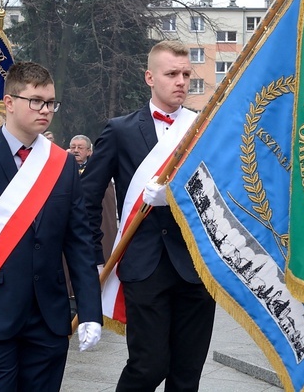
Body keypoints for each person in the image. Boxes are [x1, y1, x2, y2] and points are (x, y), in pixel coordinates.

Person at [0, 61, 102, 391]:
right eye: (36, 101)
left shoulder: (62, 163)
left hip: (49, 320)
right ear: (10, 103)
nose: (45, 110)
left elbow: (79, 243)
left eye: (51, 102)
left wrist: (90, 311)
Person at [82, 40, 216, 391]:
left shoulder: (204, 129)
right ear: (149, 77)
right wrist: (93, 257)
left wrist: (179, 196)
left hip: (196, 267)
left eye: (187, 74)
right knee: (148, 366)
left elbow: (222, 192)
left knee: (187, 375)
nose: (181, 81)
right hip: (144, 264)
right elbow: (87, 198)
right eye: (172, 73)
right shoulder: (121, 129)